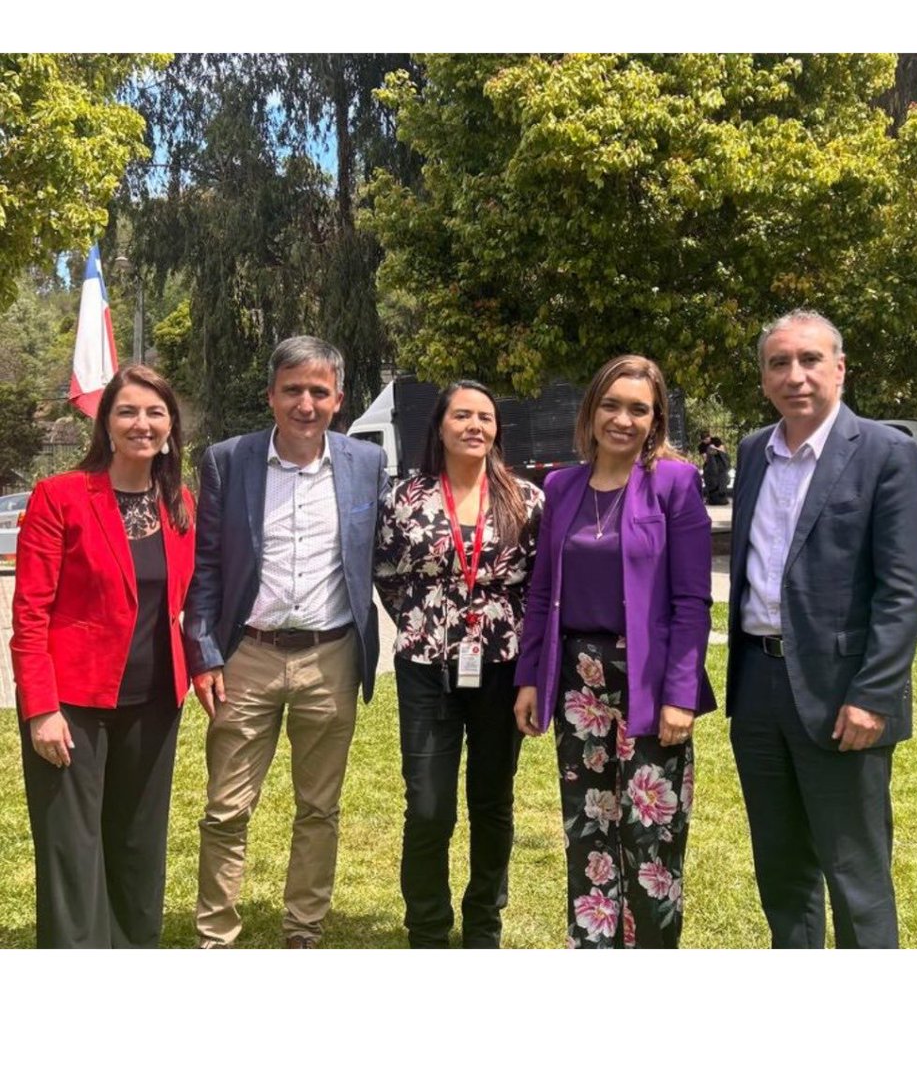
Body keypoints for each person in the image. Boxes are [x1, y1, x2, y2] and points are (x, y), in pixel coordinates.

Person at [727, 309, 917, 948]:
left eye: (810, 359)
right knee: (782, 868)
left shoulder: (886, 452)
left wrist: (873, 695)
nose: (796, 376)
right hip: (757, 685)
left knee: (854, 872)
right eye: (779, 363)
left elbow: (902, 591)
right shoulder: (753, 451)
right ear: (763, 378)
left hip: (843, 691)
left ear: (840, 368)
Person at [184, 336, 388, 949]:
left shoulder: (366, 464)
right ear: (271, 395)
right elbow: (208, 567)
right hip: (246, 657)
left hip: (331, 656)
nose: (306, 403)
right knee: (226, 809)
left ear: (339, 400)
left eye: (318, 392)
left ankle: (304, 930)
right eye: (293, 390)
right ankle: (215, 934)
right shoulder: (228, 460)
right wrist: (204, 651)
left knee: (319, 808)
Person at [514, 355, 715, 949]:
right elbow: (542, 590)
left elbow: (692, 600)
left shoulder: (675, 483)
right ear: (591, 410)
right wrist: (531, 677)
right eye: (611, 404)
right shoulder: (562, 486)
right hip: (580, 682)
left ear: (655, 420)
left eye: (638, 409)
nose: (622, 419)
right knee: (589, 829)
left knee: (650, 836)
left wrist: (681, 693)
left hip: (648, 681)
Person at [10, 366, 195, 948]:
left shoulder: (180, 502)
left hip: (155, 701)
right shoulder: (60, 496)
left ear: (170, 425)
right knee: (73, 851)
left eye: (155, 412)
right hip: (71, 705)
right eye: (128, 412)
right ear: (106, 422)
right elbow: (29, 614)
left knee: (138, 844)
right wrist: (40, 708)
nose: (142, 424)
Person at [375, 381, 544, 948]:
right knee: (427, 805)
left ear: (497, 429)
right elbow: (386, 572)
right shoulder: (405, 498)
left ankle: (483, 925)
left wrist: (531, 670)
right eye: (463, 416)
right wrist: (423, 621)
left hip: (501, 668)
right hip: (426, 667)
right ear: (440, 426)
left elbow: (541, 587)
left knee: (492, 800)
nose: (475, 426)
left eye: (486, 418)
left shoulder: (526, 498)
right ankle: (427, 928)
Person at [703, 436, 730, 505]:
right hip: (723, 498)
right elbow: (727, 480)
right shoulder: (723, 462)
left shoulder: (709, 465)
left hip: (713, 499)